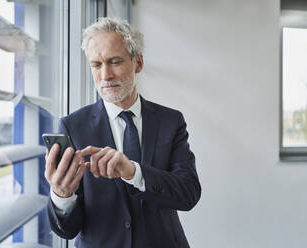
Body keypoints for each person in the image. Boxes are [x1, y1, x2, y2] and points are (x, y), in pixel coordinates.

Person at [45, 17, 201, 248]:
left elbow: (188, 194)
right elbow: (67, 231)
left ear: (138, 63)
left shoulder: (171, 120)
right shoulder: (73, 126)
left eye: (115, 62)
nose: (105, 75)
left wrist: (133, 172)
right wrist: (61, 196)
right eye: (96, 65)